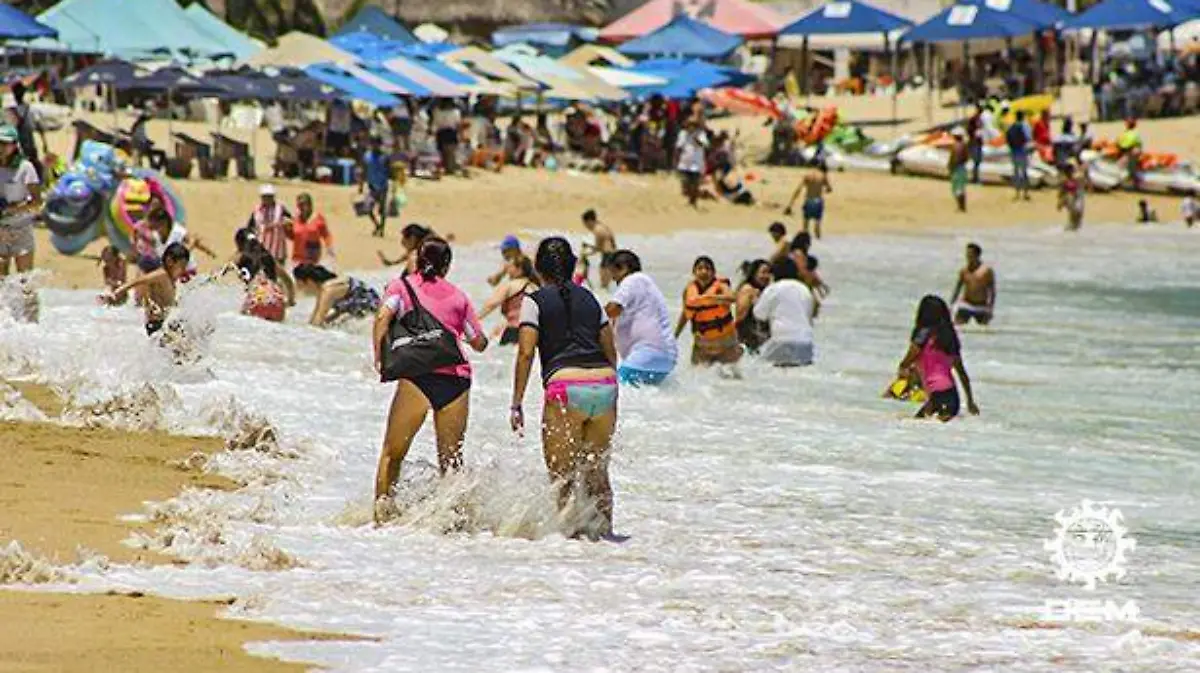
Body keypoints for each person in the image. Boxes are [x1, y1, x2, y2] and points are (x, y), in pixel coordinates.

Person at [510, 237, 619, 540]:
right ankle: (606, 540)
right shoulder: (590, 298)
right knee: (598, 475)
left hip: (565, 387)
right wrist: (611, 387)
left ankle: (568, 550)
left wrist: (516, 403)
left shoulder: (533, 301)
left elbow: (525, 352)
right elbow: (610, 348)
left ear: (539, 267)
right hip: (605, 386)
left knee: (563, 478)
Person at [372, 237, 488, 521]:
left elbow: (382, 318)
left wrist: (380, 357)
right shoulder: (459, 296)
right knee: (451, 463)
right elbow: (478, 342)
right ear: (447, 265)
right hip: (455, 380)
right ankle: (453, 524)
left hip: (418, 378)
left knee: (392, 453)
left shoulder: (401, 286)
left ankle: (381, 519)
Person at [895, 295, 980, 421]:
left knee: (913, 427)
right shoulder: (949, 339)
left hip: (937, 396)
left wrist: (904, 385)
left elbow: (905, 363)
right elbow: (962, 373)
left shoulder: (922, 337)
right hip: (951, 397)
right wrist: (970, 401)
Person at [602, 251, 678, 385]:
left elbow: (613, 309)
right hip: (665, 359)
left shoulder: (632, 280)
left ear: (623, 268)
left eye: (613, 273)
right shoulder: (647, 284)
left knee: (613, 390)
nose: (614, 280)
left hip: (646, 354)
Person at [102, 243, 190, 338]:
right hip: (156, 325)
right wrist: (117, 292)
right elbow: (138, 281)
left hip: (164, 323)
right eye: (182, 265)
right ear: (169, 262)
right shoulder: (161, 275)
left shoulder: (171, 279)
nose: (184, 269)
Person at [674, 256, 742, 367]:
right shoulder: (689, 290)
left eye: (707, 268)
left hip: (726, 345)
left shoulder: (721, 286)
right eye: (700, 268)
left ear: (714, 272)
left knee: (732, 381)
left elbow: (732, 298)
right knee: (697, 379)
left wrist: (711, 298)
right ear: (694, 272)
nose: (704, 271)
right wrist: (675, 335)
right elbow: (685, 314)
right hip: (702, 346)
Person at [753, 257, 817, 367]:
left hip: (782, 341)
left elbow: (759, 314)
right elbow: (810, 315)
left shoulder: (773, 289)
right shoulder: (805, 289)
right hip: (806, 342)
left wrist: (755, 300)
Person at [0, 125, 42, 284]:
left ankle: (30, 309)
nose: (1, 148)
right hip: (1, 229)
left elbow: (37, 202)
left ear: (14, 145)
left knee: (25, 280)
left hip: (21, 228)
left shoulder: (25, 168)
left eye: (5, 144)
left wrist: (13, 208)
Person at [293, 263, 381, 327]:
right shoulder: (323, 289)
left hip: (371, 310)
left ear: (309, 282)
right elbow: (314, 319)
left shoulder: (328, 290)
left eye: (299, 284)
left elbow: (317, 321)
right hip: (359, 309)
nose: (299, 289)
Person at [478, 254, 539, 345]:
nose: (507, 270)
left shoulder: (510, 285)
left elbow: (491, 305)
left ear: (519, 270)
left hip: (514, 332)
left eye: (510, 267)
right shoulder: (535, 286)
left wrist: (473, 321)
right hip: (534, 333)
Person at [235, 238, 288, 322]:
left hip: (257, 300)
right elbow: (288, 280)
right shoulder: (271, 262)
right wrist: (291, 300)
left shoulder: (246, 262)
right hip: (276, 301)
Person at [783, 162, 833, 238]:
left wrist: (790, 204)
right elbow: (829, 189)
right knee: (817, 227)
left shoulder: (808, 175)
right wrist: (823, 190)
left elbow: (798, 189)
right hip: (818, 201)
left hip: (808, 200)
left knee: (805, 227)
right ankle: (819, 244)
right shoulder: (823, 175)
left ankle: (804, 244)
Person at [949, 243, 996, 325]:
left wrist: (990, 308)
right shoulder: (964, 271)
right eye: (967, 254)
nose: (967, 257)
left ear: (977, 255)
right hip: (966, 304)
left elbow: (992, 291)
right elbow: (957, 289)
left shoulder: (986, 271)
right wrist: (951, 305)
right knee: (957, 328)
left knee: (984, 332)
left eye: (970, 254)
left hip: (982, 305)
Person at [247, 184, 292, 265]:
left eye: (269, 196)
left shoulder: (280, 208)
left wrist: (286, 224)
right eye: (265, 196)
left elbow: (291, 221)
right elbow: (250, 228)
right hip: (261, 250)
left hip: (278, 251)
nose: (267, 199)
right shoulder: (256, 210)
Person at [10, 83, 46, 182]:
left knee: (21, 170)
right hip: (30, 144)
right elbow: (39, 126)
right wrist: (44, 143)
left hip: (18, 146)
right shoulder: (31, 109)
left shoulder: (12, 111)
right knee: (34, 166)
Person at [735, 259, 772, 355]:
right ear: (754, 274)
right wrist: (755, 301)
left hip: (760, 341)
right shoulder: (748, 289)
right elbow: (739, 316)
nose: (766, 276)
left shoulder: (766, 291)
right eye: (763, 272)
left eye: (769, 273)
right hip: (747, 341)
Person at [358, 136, 391, 237]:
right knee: (368, 208)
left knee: (382, 210)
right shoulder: (367, 156)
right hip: (372, 186)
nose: (374, 146)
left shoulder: (385, 157)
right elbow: (363, 170)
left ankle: (382, 229)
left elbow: (390, 172)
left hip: (383, 186)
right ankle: (377, 225)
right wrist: (361, 184)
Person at [289, 193, 334, 266]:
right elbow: (293, 236)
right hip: (297, 258)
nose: (301, 207)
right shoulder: (295, 219)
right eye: (299, 205)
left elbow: (326, 235)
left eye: (303, 204)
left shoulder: (318, 218)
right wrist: (286, 230)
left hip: (312, 258)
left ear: (310, 205)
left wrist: (330, 250)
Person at [580, 209, 617, 290]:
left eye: (585, 224)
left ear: (589, 221)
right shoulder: (604, 227)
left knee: (604, 285)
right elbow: (612, 242)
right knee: (607, 284)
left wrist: (586, 253)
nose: (586, 226)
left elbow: (598, 248)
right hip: (612, 254)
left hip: (607, 255)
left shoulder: (597, 230)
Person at [675, 117, 708, 208]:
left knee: (695, 184)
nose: (690, 127)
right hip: (685, 163)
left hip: (697, 164)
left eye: (692, 125)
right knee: (685, 183)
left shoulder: (701, 134)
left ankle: (693, 202)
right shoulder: (683, 134)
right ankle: (690, 197)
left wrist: (696, 139)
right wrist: (676, 160)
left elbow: (705, 145)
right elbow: (678, 147)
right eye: (689, 125)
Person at [1006, 111, 1032, 200]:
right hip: (1022, 150)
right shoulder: (1025, 125)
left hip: (1014, 151)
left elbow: (1008, 138)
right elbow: (1028, 138)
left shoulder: (1011, 126)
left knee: (1016, 172)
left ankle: (1017, 193)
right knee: (1024, 172)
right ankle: (1026, 193)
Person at [432, 99, 462, 176]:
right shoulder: (456, 112)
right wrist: (459, 134)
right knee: (450, 151)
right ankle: (449, 168)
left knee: (443, 151)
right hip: (450, 132)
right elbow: (458, 124)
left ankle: (446, 167)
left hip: (441, 132)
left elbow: (436, 122)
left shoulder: (437, 111)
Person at [1058, 163, 1086, 231]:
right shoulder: (1064, 180)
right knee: (1073, 214)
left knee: (1078, 214)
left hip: (1079, 197)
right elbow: (1061, 192)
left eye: (1071, 171)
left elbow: (1082, 186)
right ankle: (1070, 227)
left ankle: (1074, 229)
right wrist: (1060, 203)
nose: (1069, 173)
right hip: (1071, 198)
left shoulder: (1078, 178)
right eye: (1067, 172)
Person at [947, 127, 970, 213]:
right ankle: (962, 207)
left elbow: (953, 159)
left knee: (956, 188)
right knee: (961, 188)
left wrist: (950, 167)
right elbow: (966, 157)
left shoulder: (955, 146)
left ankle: (960, 207)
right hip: (962, 167)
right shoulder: (964, 145)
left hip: (957, 168)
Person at [1117, 118, 1143, 188]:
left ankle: (1134, 182)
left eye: (1127, 123)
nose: (1126, 124)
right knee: (1128, 167)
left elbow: (1126, 143)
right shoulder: (1128, 132)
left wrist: (1120, 145)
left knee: (1123, 165)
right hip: (1129, 151)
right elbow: (1120, 141)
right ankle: (1135, 183)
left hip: (1132, 151)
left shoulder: (1133, 133)